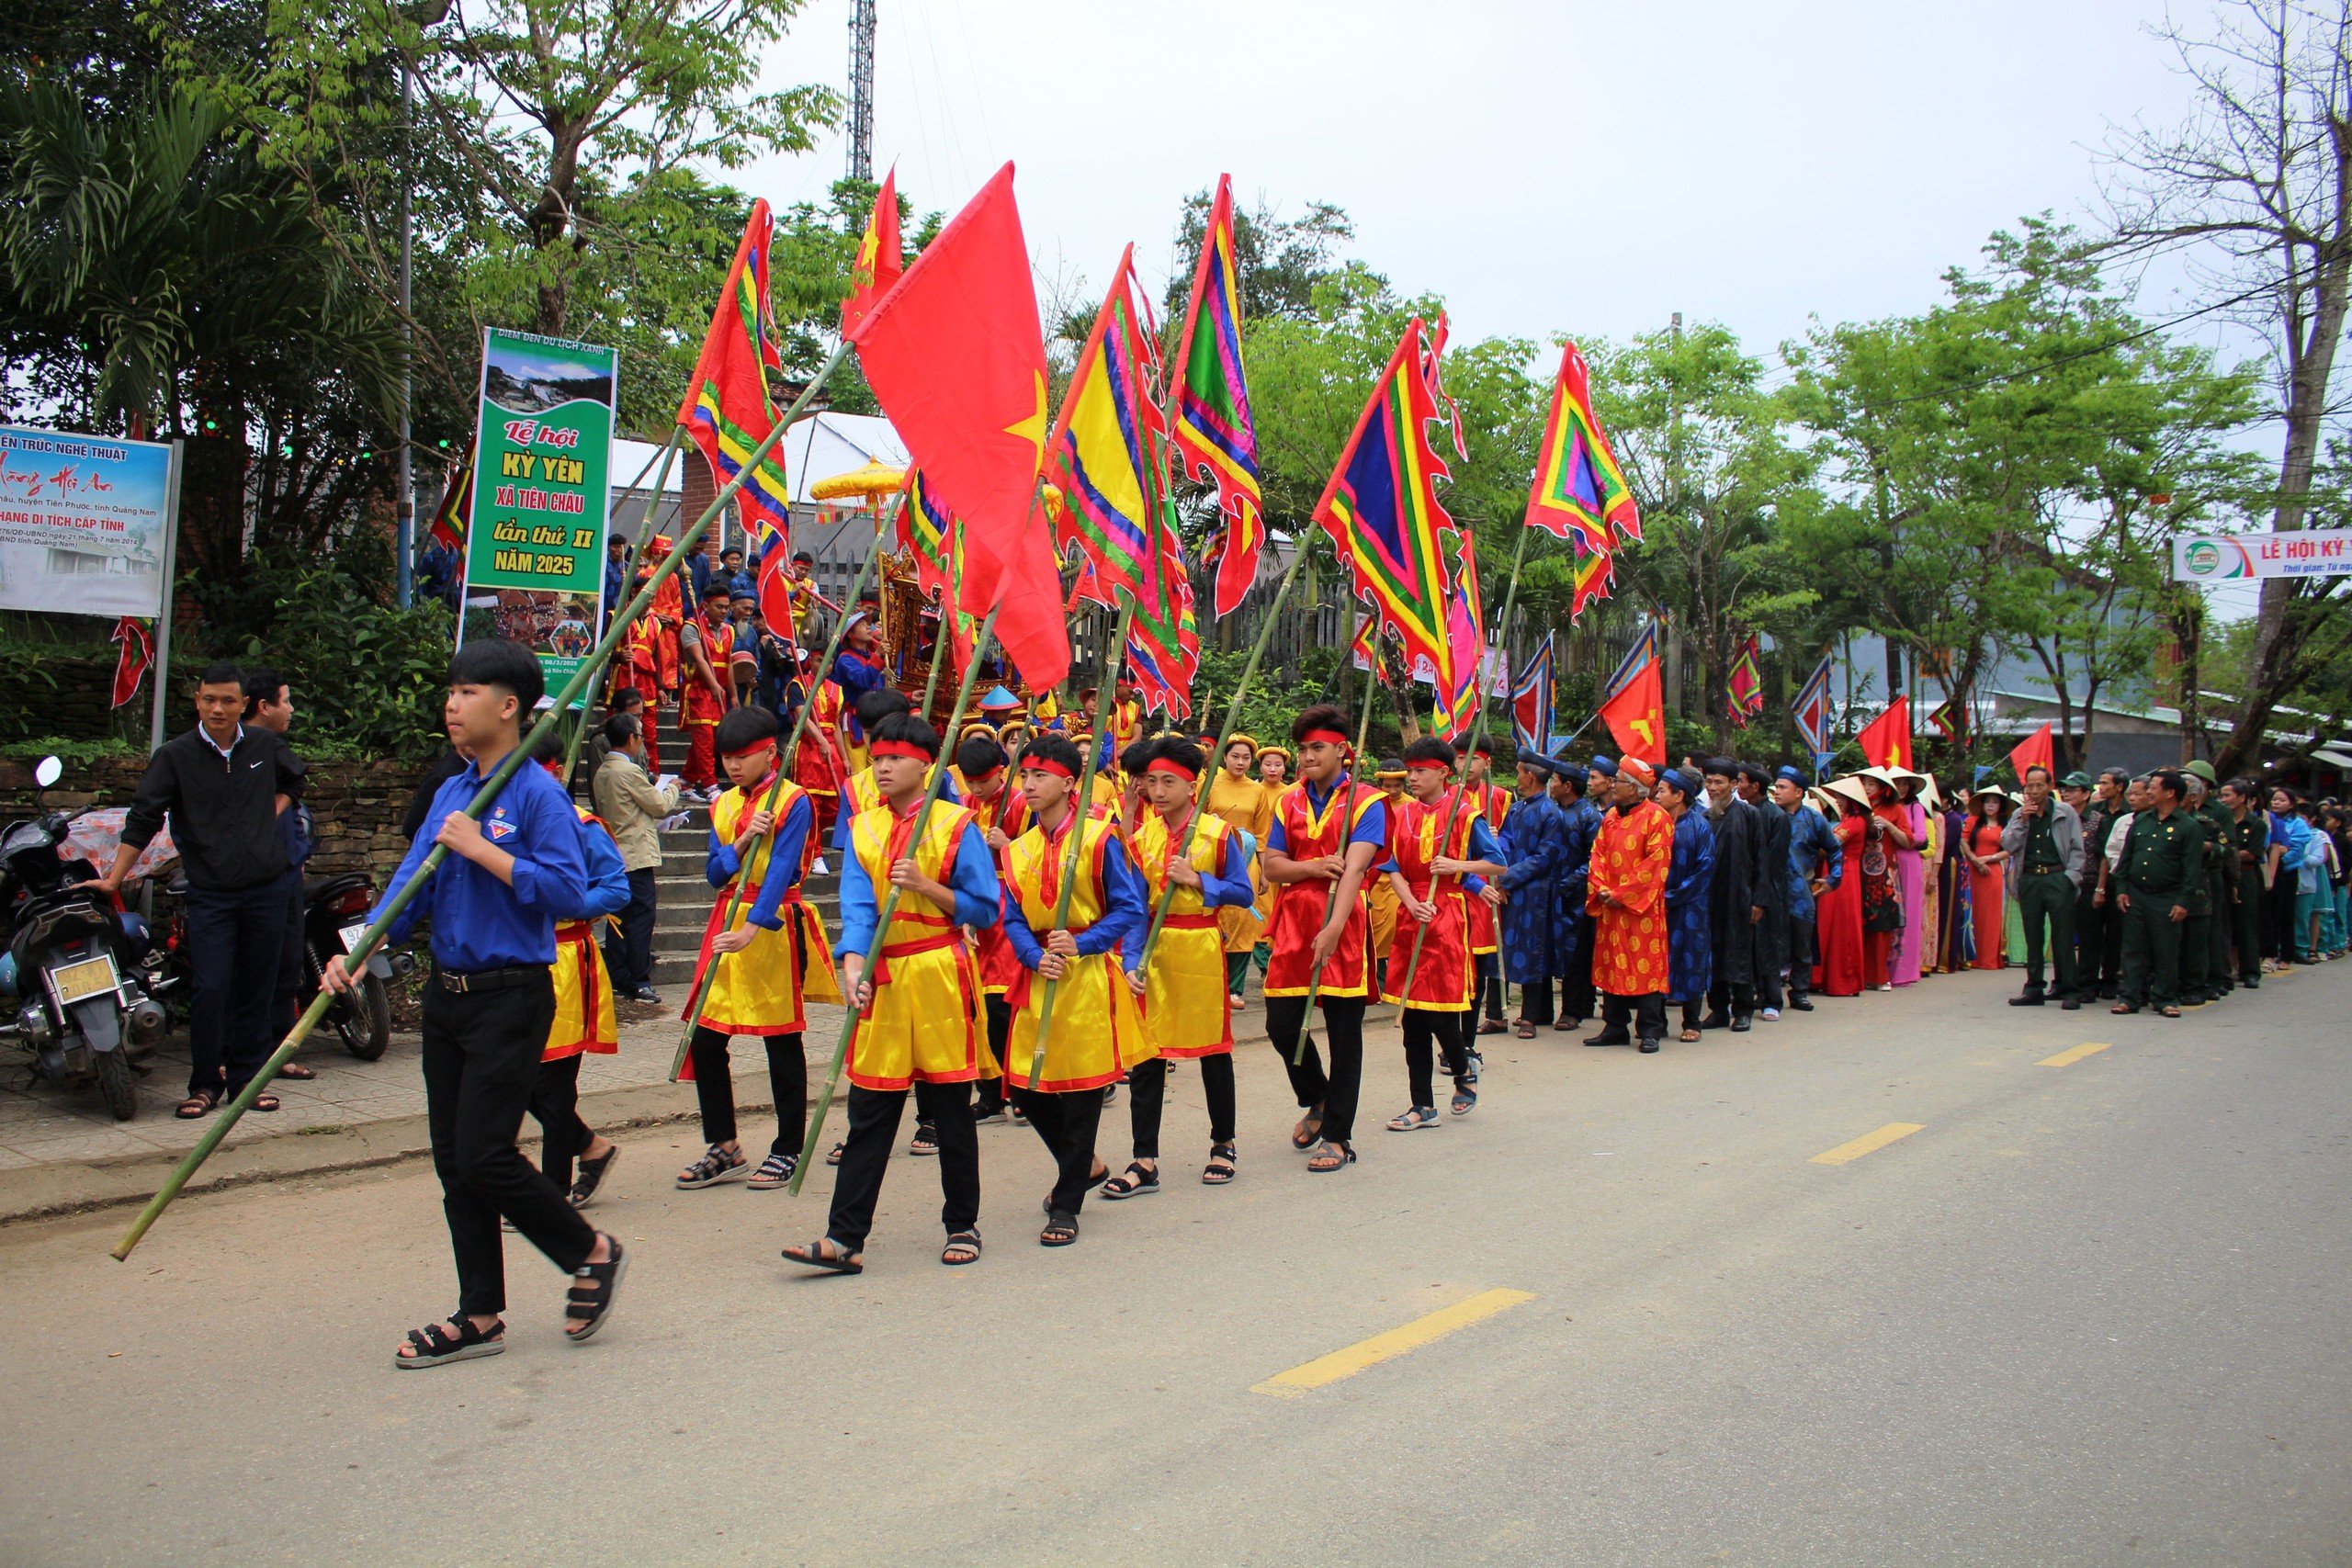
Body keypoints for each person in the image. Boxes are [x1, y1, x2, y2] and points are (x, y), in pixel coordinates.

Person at [325, 639, 623, 1367]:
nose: (452, 705)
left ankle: (590, 1248)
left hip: (512, 995)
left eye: (467, 691)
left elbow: (562, 890)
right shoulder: (452, 793)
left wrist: (485, 850)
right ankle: (480, 1312)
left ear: (509, 706)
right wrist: (354, 951)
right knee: (455, 1161)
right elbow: (408, 887)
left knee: (488, 1152)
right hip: (447, 996)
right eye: (451, 692)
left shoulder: (535, 794)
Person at [783, 713, 998, 1274]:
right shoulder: (863, 829)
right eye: (877, 757)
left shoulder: (956, 825)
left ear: (925, 765)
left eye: (894, 758)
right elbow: (856, 906)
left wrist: (928, 887)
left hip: (939, 970)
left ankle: (962, 1223)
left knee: (950, 1106)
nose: (881, 767)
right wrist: (852, 964)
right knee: (870, 1109)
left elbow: (985, 907)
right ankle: (844, 1237)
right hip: (883, 976)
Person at [97, 660, 305, 1119]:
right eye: (209, 699)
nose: (218, 708)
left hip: (266, 889)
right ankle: (206, 1083)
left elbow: (296, 779)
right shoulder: (176, 756)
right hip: (211, 894)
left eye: (228, 701)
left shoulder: (265, 746)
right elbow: (144, 818)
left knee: (258, 985)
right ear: (197, 701)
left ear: (244, 705)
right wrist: (115, 878)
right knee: (211, 986)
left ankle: (248, 1081)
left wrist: (270, 814)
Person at [675, 706, 841, 1191]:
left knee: (780, 1039)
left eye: (743, 756)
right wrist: (744, 839)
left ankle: (788, 1147)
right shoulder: (724, 805)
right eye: (727, 757)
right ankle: (723, 1145)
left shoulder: (795, 802)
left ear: (771, 752)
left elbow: (786, 871)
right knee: (706, 1039)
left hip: (770, 926)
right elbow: (713, 874)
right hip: (725, 921)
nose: (732, 765)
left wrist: (753, 927)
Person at [995, 732, 1151, 1245]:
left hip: (1085, 979)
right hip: (1039, 976)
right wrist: (1033, 954)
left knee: (1082, 1092)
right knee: (1023, 1086)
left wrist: (1082, 942)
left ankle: (1066, 1205)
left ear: (1070, 782)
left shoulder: (1100, 837)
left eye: (1040, 775)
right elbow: (1012, 916)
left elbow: (1129, 909)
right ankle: (1080, 1164)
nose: (1030, 784)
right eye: (1025, 775)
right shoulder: (1018, 849)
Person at [1260, 705, 1387, 1175]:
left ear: (1341, 750)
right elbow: (1273, 865)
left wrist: (1334, 927)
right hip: (1293, 922)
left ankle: (1338, 1135)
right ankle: (1316, 1096)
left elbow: (1354, 867)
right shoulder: (1287, 801)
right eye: (1303, 748)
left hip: (1345, 923)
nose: (1308, 756)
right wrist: (1312, 867)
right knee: (1280, 1024)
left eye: (1317, 747)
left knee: (1343, 1033)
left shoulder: (1367, 800)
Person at [1120, 737, 1253, 1187]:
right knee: (1148, 1056)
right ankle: (1144, 1159)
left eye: (1168, 781)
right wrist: (1131, 961)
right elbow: (1136, 909)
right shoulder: (1140, 839)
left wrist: (1198, 879)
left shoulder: (1216, 834)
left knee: (1214, 1052)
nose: (1158, 790)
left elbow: (1243, 892)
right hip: (1156, 954)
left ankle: (1223, 1143)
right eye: (1152, 781)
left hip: (1200, 949)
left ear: (1191, 785)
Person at [522, 732, 631, 1205]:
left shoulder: (582, 825)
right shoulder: (502, 823)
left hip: (565, 959)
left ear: (558, 773)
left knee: (554, 1083)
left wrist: (564, 902)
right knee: (517, 1077)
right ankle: (591, 1147)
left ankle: (552, 1190)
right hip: (516, 959)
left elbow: (616, 889)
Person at [1380, 739, 1502, 1130]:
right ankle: (1422, 1105)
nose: (1412, 778)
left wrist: (1458, 864)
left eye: (1420, 771)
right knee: (1411, 1017)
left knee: (1442, 1014)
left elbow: (1497, 863)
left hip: (1448, 916)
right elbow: (1391, 865)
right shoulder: (1402, 814)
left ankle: (1464, 1069)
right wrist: (1410, 902)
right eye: (1410, 771)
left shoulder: (1465, 815)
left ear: (1443, 772)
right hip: (1411, 913)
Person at [240, 666, 319, 1083]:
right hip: (252, 877)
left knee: (287, 963)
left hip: (286, 868)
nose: (290, 709)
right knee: (255, 966)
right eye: (285, 701)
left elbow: (297, 782)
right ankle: (241, 1054)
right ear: (264, 706)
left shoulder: (277, 749)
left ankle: (277, 1049)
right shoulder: (239, 749)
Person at [957, 736, 1028, 1124]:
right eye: (970, 782)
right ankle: (990, 1092)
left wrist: (1010, 844)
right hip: (975, 905)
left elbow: (1037, 854)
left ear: (999, 772)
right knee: (978, 1008)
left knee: (1005, 1005)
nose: (976, 790)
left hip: (1009, 906)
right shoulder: (964, 807)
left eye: (982, 782)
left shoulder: (1019, 801)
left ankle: (1017, 1088)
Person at [1582, 758, 1675, 1053]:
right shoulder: (1610, 817)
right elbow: (1597, 854)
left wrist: (1622, 893)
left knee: (1644, 967)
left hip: (1640, 908)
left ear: (1635, 789)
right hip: (1610, 906)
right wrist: (1601, 890)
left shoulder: (1657, 818)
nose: (1613, 785)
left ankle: (1650, 1029)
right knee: (1611, 965)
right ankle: (1615, 1026)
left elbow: (1656, 863)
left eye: (1619, 781)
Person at [588, 712, 676, 1004]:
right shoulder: (627, 771)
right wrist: (673, 787)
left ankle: (619, 977)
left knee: (618, 919)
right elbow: (659, 804)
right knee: (640, 917)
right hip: (635, 856)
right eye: (640, 737)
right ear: (631, 739)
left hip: (614, 854)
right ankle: (639, 980)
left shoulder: (603, 771)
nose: (641, 742)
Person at [2112, 770, 2204, 1018]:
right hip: (2137, 894)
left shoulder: (2188, 827)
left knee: (2166, 950)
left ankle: (2165, 998)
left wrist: (2183, 901)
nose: (2149, 791)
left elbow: (2191, 870)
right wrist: (2121, 889)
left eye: (2153, 787)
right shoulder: (2141, 821)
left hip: (2167, 896)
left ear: (2170, 792)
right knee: (2133, 949)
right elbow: (2125, 860)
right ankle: (2129, 997)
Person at [1495, 753, 1570, 1037]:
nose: (1517, 777)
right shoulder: (1516, 809)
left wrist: (1507, 878)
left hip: (1535, 892)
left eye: (1519, 772)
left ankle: (1529, 1016)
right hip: (1510, 888)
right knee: (1504, 948)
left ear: (1530, 775)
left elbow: (1544, 857)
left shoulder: (1551, 813)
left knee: (1532, 951)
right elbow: (1506, 841)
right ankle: (1500, 1014)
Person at [2001, 764, 2083, 1008]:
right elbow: (2007, 843)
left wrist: (2071, 878)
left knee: (2062, 936)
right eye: (2030, 786)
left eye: (2039, 785)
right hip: (2029, 879)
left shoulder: (2065, 812)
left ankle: (2068, 989)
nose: (2034, 791)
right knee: (2033, 935)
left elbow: (2078, 848)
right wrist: (2023, 820)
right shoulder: (2019, 814)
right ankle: (2034, 987)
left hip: (2057, 877)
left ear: (2049, 787)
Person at [1205, 734, 1273, 1000]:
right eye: (1235, 756)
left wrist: (1264, 871)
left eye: (1246, 758)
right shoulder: (1210, 783)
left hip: (1245, 860)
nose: (1241, 762)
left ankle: (1235, 989)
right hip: (1214, 857)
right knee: (1216, 915)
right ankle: (1213, 984)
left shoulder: (1257, 790)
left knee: (1244, 922)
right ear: (1225, 757)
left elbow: (1262, 834)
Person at [1696, 759, 1761, 1032]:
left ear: (1733, 785)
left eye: (1719, 782)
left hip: (1739, 896)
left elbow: (1762, 861)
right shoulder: (1704, 818)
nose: (1712, 788)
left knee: (1739, 951)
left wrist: (1759, 900)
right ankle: (1718, 1009)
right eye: (1709, 782)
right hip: (1710, 897)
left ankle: (1743, 1009)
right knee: (1714, 952)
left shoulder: (1748, 815)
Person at [1654, 769, 1717, 1043]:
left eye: (1663, 791)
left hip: (1690, 905)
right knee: (1658, 961)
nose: (1657, 795)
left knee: (1691, 959)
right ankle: (1657, 1021)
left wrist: (1674, 896)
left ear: (1679, 795)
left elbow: (1704, 868)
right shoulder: (1655, 823)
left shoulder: (1699, 826)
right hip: (1656, 903)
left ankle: (1692, 1021)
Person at [1773, 768, 1841, 1010]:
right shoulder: (1767, 815)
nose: (1777, 792)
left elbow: (1835, 850)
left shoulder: (1813, 819)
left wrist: (1833, 879)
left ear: (1799, 792)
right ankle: (1766, 992)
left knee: (1801, 942)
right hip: (1770, 889)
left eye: (1783, 787)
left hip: (1801, 891)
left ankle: (1799, 991)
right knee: (1769, 942)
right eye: (1776, 787)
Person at [1545, 761, 1602, 1032]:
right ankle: (1543, 1010)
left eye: (1554, 780)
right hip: (1551, 893)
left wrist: (1569, 882)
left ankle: (1573, 1010)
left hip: (1577, 897)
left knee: (1576, 953)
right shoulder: (1553, 812)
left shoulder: (1589, 816)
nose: (1551, 785)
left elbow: (1595, 858)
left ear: (1568, 786)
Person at [1460, 741, 1512, 1033]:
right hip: (1457, 886)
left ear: (1487, 764)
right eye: (1459, 758)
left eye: (1473, 758)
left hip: (1484, 891)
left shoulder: (1501, 798)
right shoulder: (1449, 797)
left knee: (1478, 966)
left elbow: (1509, 842)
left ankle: (1467, 1037)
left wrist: (1494, 840)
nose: (1465, 764)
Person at [1736, 763, 1793, 1018]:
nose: (1738, 786)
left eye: (1741, 781)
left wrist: (1759, 894)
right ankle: (1748, 996)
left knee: (1768, 943)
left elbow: (1772, 860)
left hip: (1768, 888)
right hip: (1742, 887)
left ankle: (1772, 999)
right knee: (1745, 946)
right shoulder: (1741, 812)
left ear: (1755, 786)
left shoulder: (1776, 817)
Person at [1814, 782, 1871, 997]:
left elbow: (1831, 842)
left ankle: (1843, 979)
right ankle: (1824, 977)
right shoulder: (1848, 820)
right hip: (1837, 870)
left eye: (1841, 797)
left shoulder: (1855, 822)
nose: (1837, 800)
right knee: (1828, 924)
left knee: (1842, 926)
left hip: (1844, 874)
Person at [2073, 771, 2127, 998]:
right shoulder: (2096, 813)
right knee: (2089, 934)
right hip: (2094, 879)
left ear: (2120, 787)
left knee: (2116, 933)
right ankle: (2087, 983)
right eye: (2100, 782)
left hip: (2119, 880)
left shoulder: (2130, 814)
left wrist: (2103, 887)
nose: (2101, 787)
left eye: (2105, 783)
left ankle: (2111, 980)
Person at [676, 594, 732, 800]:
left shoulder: (729, 630)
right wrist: (714, 685)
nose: (724, 611)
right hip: (699, 692)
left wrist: (732, 694)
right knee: (705, 741)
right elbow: (699, 659)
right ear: (706, 606)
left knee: (711, 740)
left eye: (727, 607)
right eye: (719, 607)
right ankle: (710, 785)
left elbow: (729, 664)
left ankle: (686, 782)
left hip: (718, 693)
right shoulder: (691, 628)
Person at [1960, 787, 2009, 971]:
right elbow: (1963, 841)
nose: (1991, 805)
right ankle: (1971, 956)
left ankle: (1988, 958)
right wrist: (1974, 860)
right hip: (1972, 870)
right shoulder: (1973, 821)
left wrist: (1987, 859)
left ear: (2000, 805)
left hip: (1992, 871)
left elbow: (2010, 849)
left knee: (1991, 915)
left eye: (1995, 802)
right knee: (1973, 912)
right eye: (1988, 801)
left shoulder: (2005, 826)